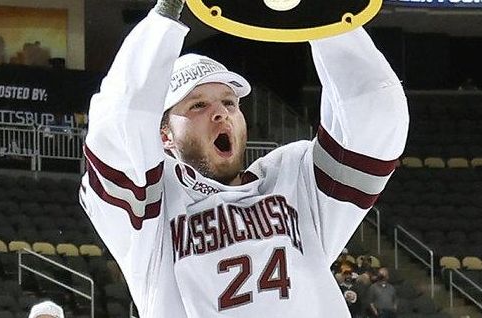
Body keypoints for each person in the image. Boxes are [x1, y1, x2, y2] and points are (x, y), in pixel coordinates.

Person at [78, 0, 408, 316]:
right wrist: (164, 16)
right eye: (197, 105)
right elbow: (118, 126)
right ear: (163, 135)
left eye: (229, 102)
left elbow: (375, 114)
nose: (220, 113)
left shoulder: (292, 179)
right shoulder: (151, 214)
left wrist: (328, 17)